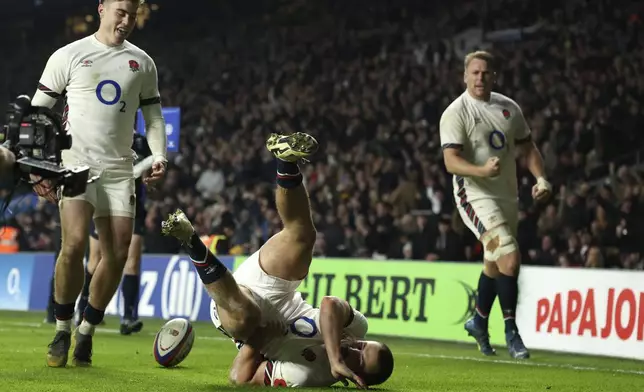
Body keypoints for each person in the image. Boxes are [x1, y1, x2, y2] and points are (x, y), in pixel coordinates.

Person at [161, 132, 394, 388]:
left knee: (247, 316)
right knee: (302, 237)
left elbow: (240, 378)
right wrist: (337, 357)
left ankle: (190, 240)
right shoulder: (355, 330)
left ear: (357, 378)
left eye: (358, 358)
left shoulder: (308, 376)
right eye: (362, 345)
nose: (354, 345)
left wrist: (259, 340)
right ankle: (287, 161)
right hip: (279, 292)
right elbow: (330, 305)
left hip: (244, 322)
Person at [32, 0, 167, 367]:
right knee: (73, 245)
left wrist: (159, 156)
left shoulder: (142, 62)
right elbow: (38, 112)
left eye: (133, 13)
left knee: (118, 254)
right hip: (76, 164)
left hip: (120, 169)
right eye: (121, 11)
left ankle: (86, 331)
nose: (127, 20)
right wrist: (36, 165)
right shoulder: (69, 54)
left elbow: (153, 118)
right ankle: (62, 329)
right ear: (102, 8)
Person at [439, 50, 551, 359]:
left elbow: (528, 149)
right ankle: (512, 332)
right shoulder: (456, 112)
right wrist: (482, 171)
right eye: (474, 72)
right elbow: (451, 161)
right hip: (473, 195)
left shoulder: (508, 108)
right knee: (510, 258)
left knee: (494, 262)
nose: (480, 77)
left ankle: (478, 320)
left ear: (494, 76)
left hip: (506, 195)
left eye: (485, 73)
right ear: (465, 76)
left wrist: (541, 178)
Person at [76, 132, 153, 335]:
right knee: (95, 258)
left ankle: (128, 316)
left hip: (132, 204)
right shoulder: (103, 133)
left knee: (132, 260)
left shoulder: (140, 142)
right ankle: (82, 309)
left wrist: (148, 177)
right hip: (104, 201)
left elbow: (147, 177)